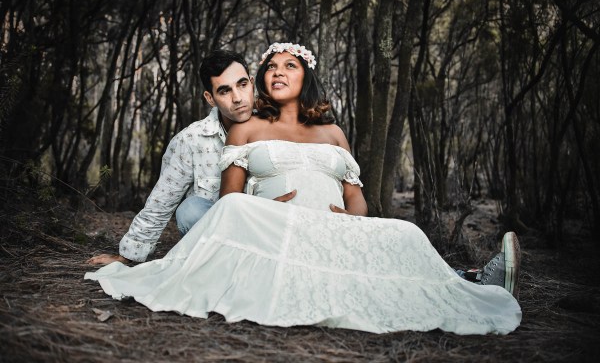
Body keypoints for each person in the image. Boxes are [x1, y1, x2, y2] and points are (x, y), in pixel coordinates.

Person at [86, 42, 521, 335]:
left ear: (301, 76)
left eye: (287, 66)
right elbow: (215, 201)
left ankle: (474, 283)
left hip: (330, 225)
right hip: (267, 225)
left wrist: (352, 219)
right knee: (207, 210)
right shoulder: (238, 131)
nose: (274, 74)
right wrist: (130, 255)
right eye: (270, 67)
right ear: (210, 97)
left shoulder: (333, 133)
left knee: (406, 232)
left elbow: (356, 197)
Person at [86, 50, 294, 265]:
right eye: (224, 91)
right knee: (190, 210)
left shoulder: (278, 125)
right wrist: (128, 255)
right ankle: (226, 264)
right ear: (210, 98)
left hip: (270, 229)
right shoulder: (191, 140)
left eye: (242, 85)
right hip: (221, 239)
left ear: (251, 83)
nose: (238, 98)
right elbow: (161, 201)